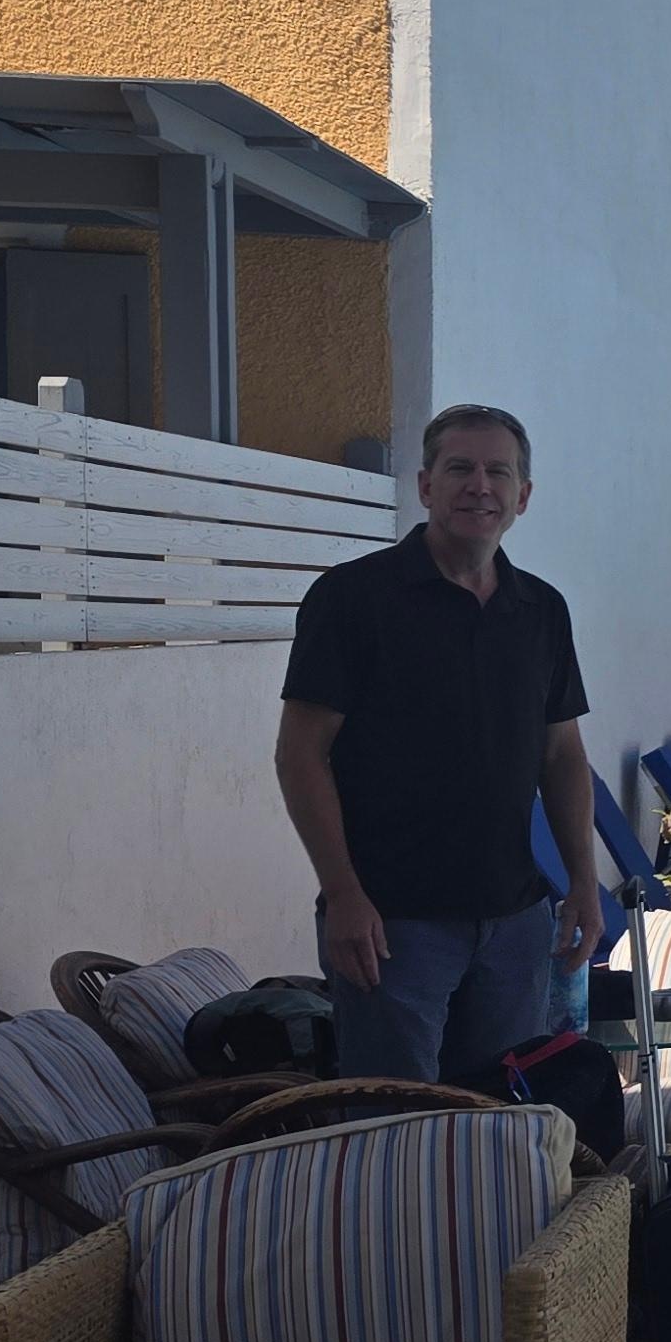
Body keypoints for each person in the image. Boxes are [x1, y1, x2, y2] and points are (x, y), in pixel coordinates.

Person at [276, 405, 594, 1081]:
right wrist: (343, 895)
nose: (479, 485)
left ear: (522, 497)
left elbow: (562, 757)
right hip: (392, 926)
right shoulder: (351, 600)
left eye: (497, 472)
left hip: (514, 925)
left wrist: (586, 886)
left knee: (502, 1136)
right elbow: (301, 755)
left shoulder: (542, 611)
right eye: (459, 468)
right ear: (425, 486)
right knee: (396, 1134)